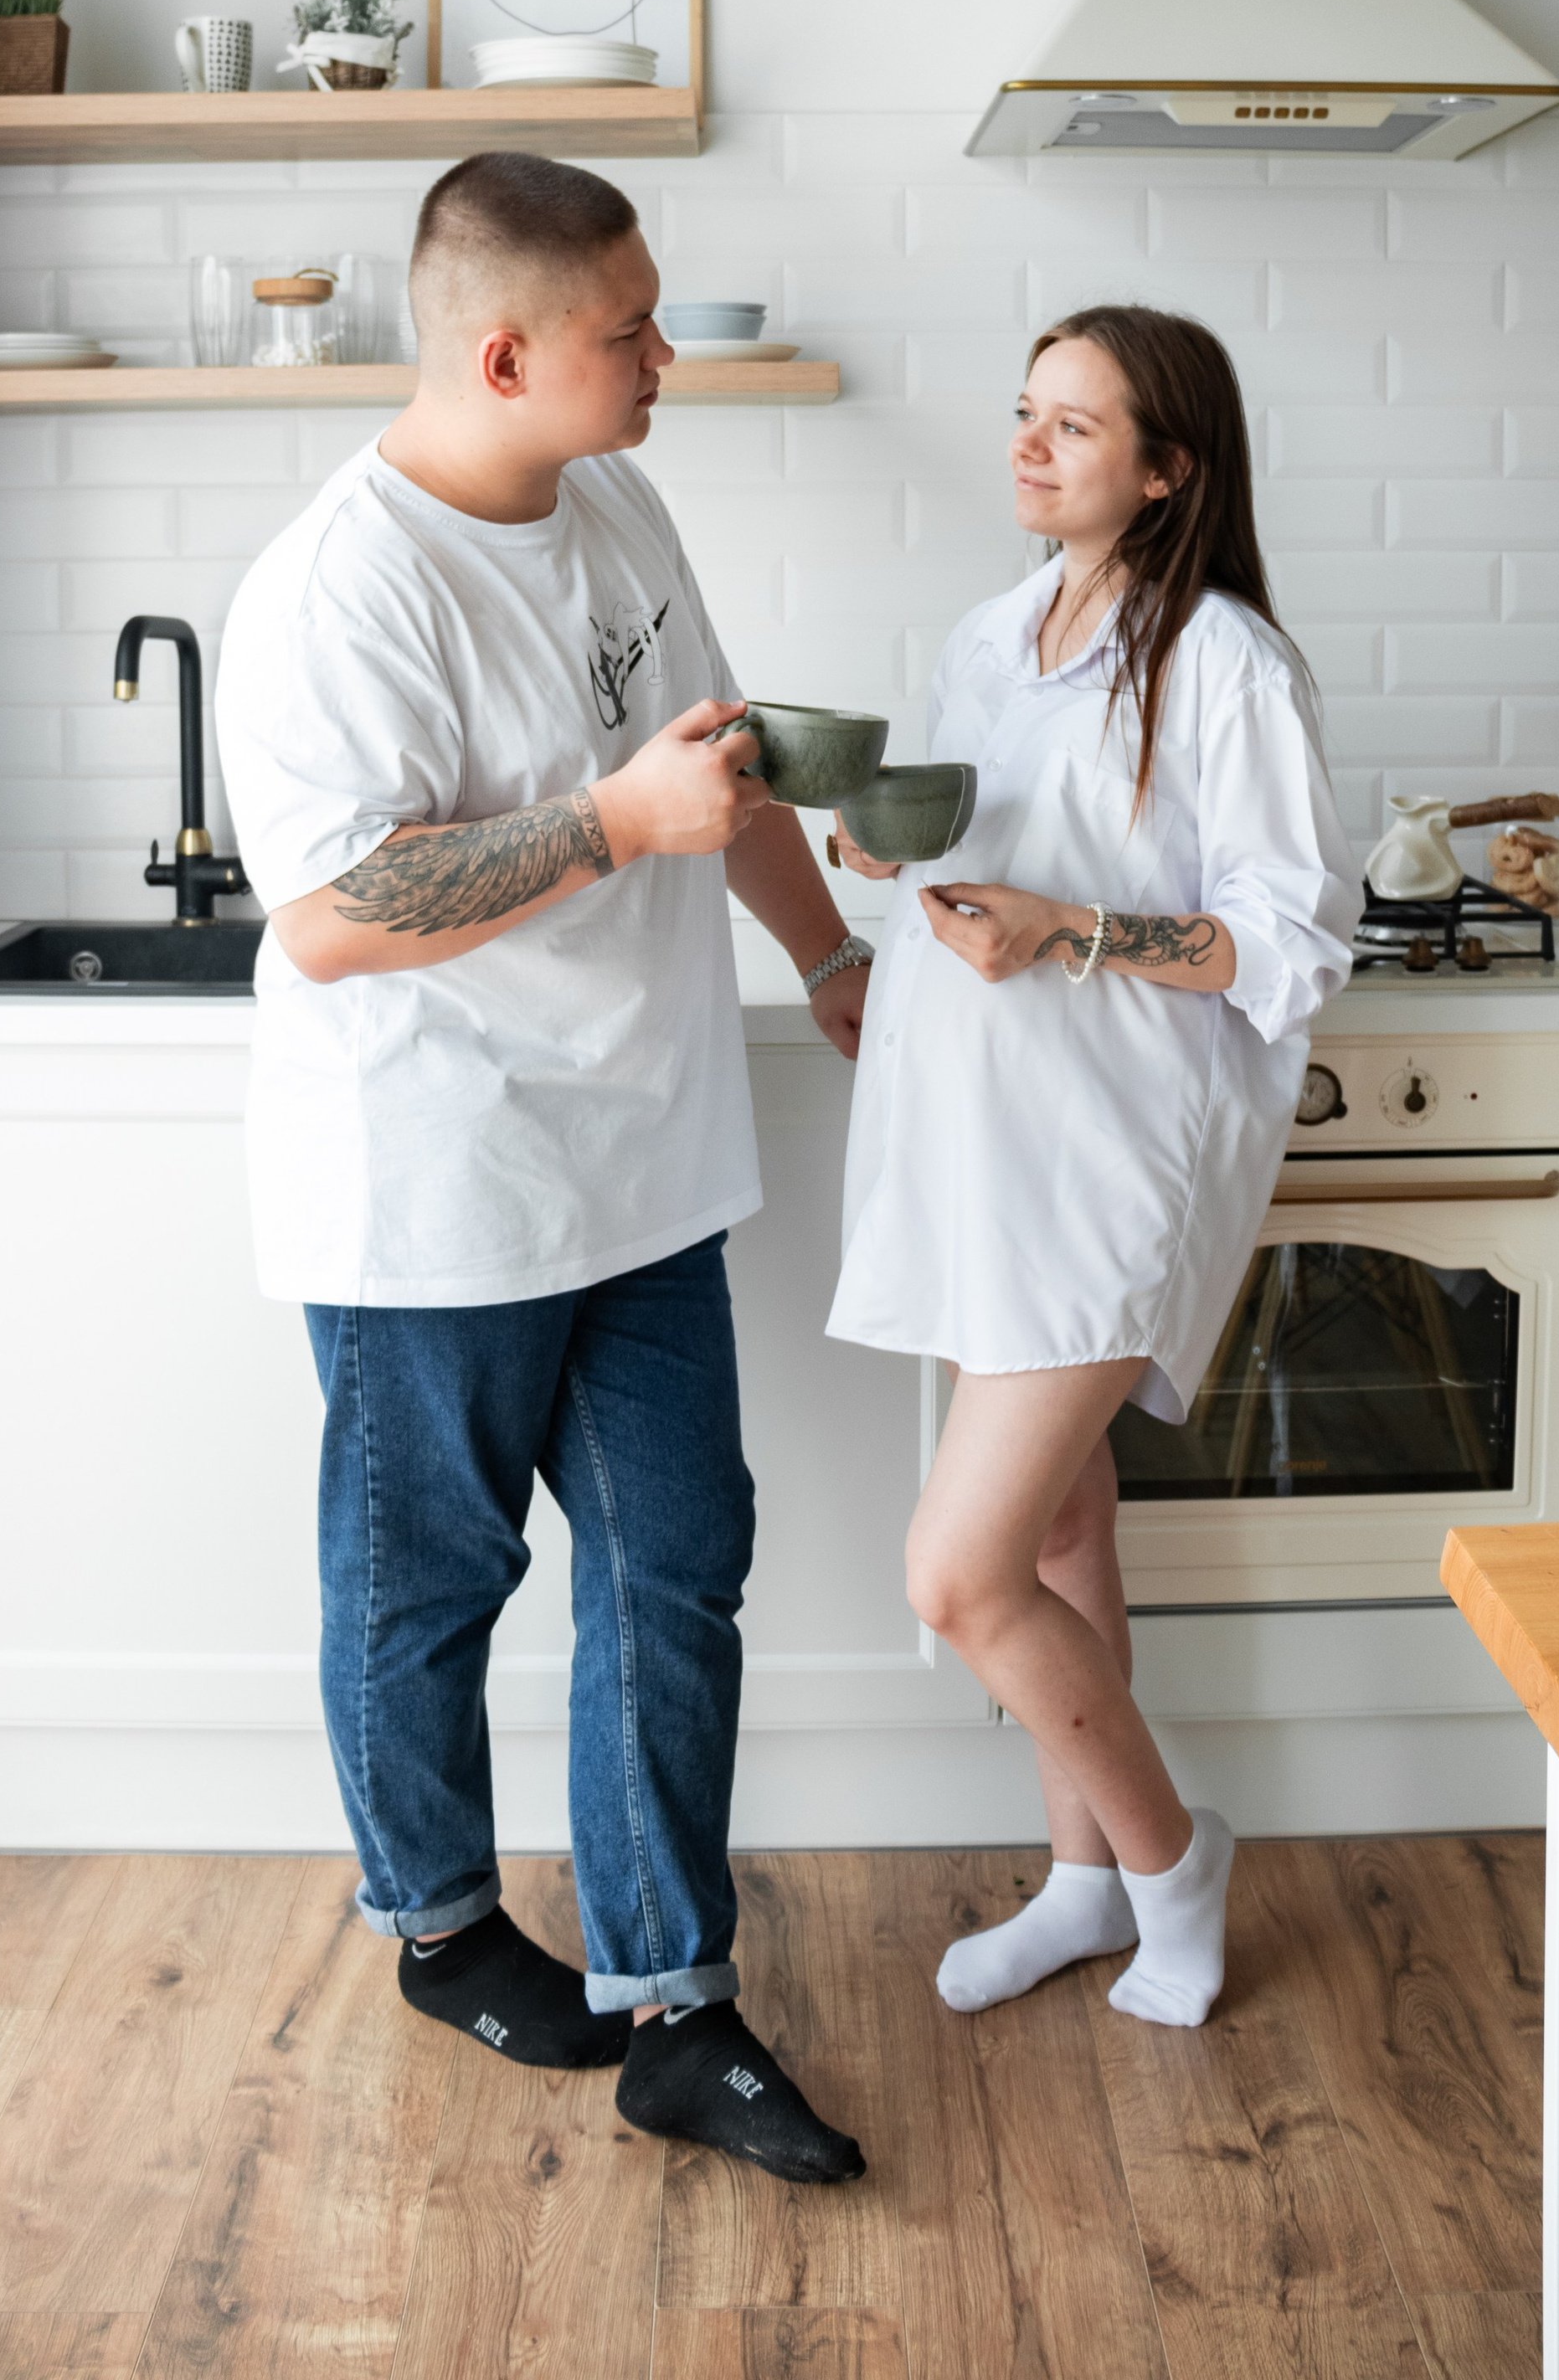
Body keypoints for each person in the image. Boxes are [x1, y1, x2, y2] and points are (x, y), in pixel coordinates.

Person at [214, 152, 874, 2184]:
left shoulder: (620, 500)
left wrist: (829, 952)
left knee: (680, 1571)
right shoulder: (341, 587)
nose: (662, 355)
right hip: (437, 1189)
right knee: (428, 1591)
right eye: (627, 332)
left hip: (646, 1163)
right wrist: (610, 824)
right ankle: (435, 1925)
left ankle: (678, 2004)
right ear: (503, 353)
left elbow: (716, 765)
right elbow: (334, 910)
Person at [827, 304, 1358, 2028]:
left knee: (953, 1575)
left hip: (1108, 1157)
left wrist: (1070, 932)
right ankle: (1079, 1886)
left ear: (1164, 469)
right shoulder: (993, 633)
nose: (1027, 447)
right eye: (1023, 414)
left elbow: (1287, 947)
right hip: (976, 1137)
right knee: (1054, 1523)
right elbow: (971, 843)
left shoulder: (1223, 665)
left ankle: (1166, 1853)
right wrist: (862, 837)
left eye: (1072, 425)